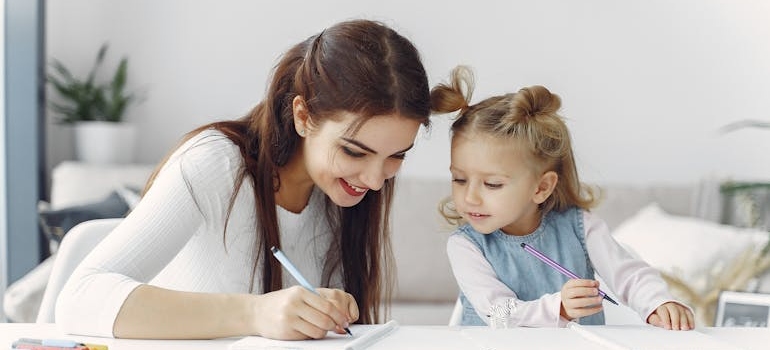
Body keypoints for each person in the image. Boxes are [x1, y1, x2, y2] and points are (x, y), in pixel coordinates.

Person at [55, 19, 432, 340]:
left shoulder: (340, 192)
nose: (376, 181)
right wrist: (255, 313)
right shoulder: (216, 164)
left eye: (397, 156)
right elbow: (80, 298)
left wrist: (322, 314)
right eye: (354, 151)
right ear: (303, 116)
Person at [431, 66, 694, 330]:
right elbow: (497, 312)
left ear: (541, 187)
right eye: (459, 179)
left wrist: (658, 303)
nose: (470, 197)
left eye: (492, 183)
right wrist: (558, 308)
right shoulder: (466, 246)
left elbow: (628, 274)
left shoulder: (580, 228)